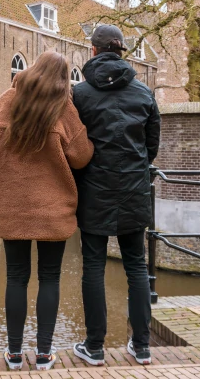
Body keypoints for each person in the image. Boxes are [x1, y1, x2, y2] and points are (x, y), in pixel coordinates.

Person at [0, 51, 94, 371]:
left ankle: (14, 354)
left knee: (16, 278)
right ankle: (45, 354)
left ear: (33, 69)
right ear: (63, 80)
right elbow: (82, 156)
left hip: (12, 206)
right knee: (50, 278)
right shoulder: (63, 108)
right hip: (52, 209)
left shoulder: (6, 101)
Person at [72, 25, 161, 366]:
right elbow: (151, 147)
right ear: (121, 51)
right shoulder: (144, 93)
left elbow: (74, 145)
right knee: (136, 266)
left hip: (94, 190)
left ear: (92, 51)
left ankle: (94, 347)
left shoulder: (80, 95)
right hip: (134, 189)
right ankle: (141, 346)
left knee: (93, 266)